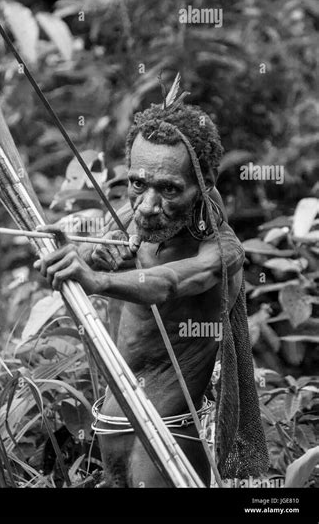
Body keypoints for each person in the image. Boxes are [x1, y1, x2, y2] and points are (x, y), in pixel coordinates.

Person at [34, 101, 268, 487]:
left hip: (170, 435)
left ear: (204, 183)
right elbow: (88, 254)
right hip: (111, 423)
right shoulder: (131, 219)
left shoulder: (221, 251)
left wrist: (99, 281)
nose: (147, 206)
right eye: (138, 183)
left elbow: (169, 283)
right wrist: (76, 254)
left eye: (169, 190)